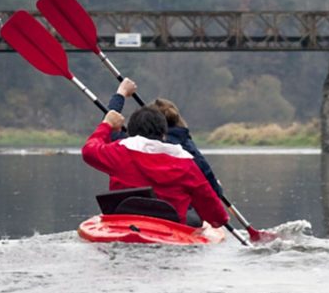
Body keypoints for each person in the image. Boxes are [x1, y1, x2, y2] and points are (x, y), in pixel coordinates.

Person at [81, 85, 229, 229]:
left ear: (130, 132)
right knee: (194, 216)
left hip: (123, 223)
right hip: (171, 229)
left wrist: (106, 124)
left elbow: (89, 150)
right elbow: (218, 218)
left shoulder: (118, 151)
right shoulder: (187, 164)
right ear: (163, 135)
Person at [108, 82, 223, 198]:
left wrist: (121, 93)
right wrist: (217, 187)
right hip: (172, 210)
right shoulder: (188, 151)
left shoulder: (131, 144)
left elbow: (108, 127)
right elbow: (213, 190)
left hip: (134, 206)